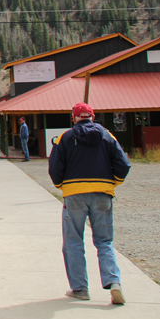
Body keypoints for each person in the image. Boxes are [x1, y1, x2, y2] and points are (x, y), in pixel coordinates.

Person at [48, 102, 131, 304]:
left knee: (73, 241)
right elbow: (123, 165)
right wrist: (112, 183)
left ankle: (80, 289)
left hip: (74, 195)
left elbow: (55, 168)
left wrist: (64, 187)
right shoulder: (107, 136)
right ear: (92, 117)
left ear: (74, 118)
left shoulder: (64, 138)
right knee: (104, 241)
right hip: (103, 194)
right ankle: (114, 283)